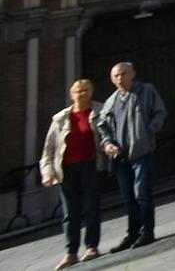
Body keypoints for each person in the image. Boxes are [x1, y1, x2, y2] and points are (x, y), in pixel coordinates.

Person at [96, 61, 166, 252]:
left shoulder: (146, 91)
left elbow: (159, 112)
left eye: (123, 74)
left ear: (132, 74)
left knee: (141, 193)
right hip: (120, 157)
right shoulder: (111, 101)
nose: (120, 78)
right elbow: (102, 126)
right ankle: (132, 233)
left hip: (141, 152)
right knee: (128, 198)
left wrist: (148, 131)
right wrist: (107, 143)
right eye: (116, 76)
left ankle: (147, 232)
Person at [40, 79, 105, 269]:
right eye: (78, 91)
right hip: (67, 170)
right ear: (71, 94)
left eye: (85, 90)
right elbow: (48, 150)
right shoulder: (60, 118)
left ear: (91, 92)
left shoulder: (100, 111)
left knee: (91, 207)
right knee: (70, 212)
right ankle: (71, 252)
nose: (82, 94)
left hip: (90, 166)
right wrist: (47, 173)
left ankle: (92, 247)